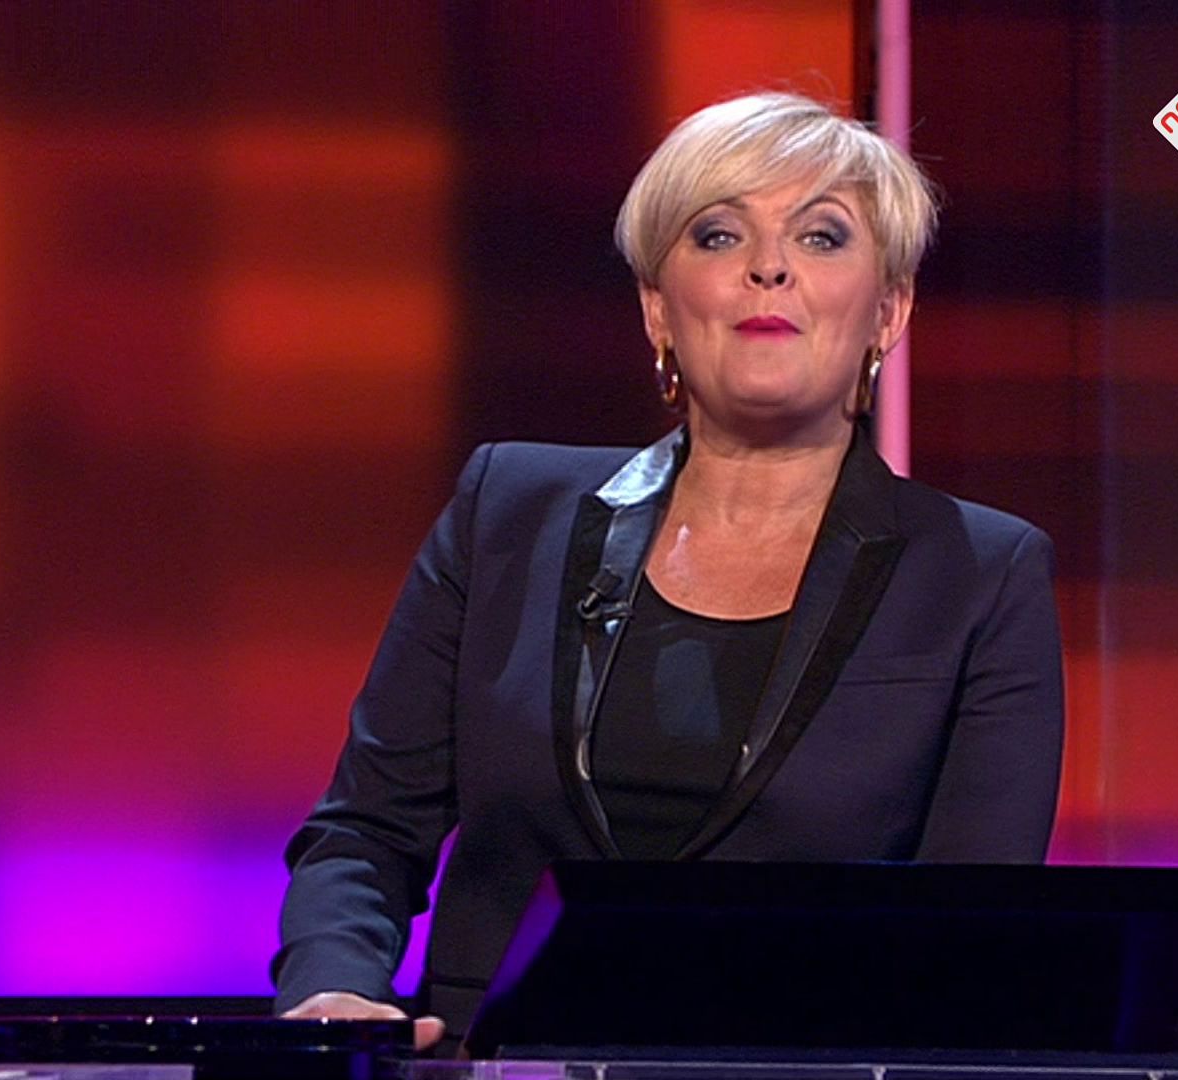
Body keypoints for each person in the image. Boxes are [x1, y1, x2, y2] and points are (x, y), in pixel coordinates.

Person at [271, 90, 1064, 1054]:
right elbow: (365, 832)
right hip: (492, 1065)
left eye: (821, 237)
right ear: (658, 308)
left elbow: (969, 932)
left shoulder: (981, 573)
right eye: (719, 235)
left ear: (888, 313)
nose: (768, 266)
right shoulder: (506, 510)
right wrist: (336, 991)